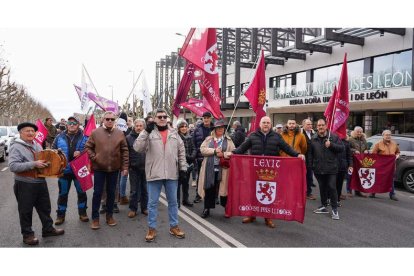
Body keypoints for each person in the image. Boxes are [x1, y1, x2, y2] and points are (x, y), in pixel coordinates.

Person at [232, 116, 304, 228]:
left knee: (270, 195)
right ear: (260, 124)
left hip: (271, 172)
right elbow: (242, 148)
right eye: (264, 122)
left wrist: (297, 155)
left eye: (268, 123)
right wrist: (233, 153)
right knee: (252, 192)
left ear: (271, 125)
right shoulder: (252, 136)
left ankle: (268, 217)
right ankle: (252, 214)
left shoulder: (277, 136)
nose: (266, 124)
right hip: (255, 171)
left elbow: (286, 148)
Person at [134, 108, 187, 242]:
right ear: (155, 119)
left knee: (173, 202)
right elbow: (137, 147)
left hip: (171, 173)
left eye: (164, 116)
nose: (162, 118)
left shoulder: (174, 133)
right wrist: (145, 131)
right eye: (159, 117)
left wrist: (183, 168)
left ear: (167, 118)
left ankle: (174, 226)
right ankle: (152, 228)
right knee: (152, 203)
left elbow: (181, 151)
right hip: (154, 174)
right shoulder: (149, 133)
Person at [9, 122, 64, 246]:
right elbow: (13, 166)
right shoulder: (15, 147)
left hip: (40, 182)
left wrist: (53, 156)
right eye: (27, 131)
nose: (30, 133)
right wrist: (34, 164)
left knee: (45, 207)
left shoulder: (37, 144)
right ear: (20, 133)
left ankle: (48, 229)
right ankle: (27, 235)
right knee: (26, 211)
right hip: (24, 183)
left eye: (32, 131)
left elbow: (43, 159)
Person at [85, 111, 129, 230]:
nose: (110, 121)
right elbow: (88, 147)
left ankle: (109, 216)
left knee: (111, 193)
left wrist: (125, 167)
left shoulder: (120, 133)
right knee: (97, 193)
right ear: (103, 120)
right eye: (107, 119)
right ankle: (95, 218)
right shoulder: (95, 132)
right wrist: (95, 158)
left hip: (114, 169)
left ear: (115, 121)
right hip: (99, 168)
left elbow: (125, 151)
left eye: (112, 119)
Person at [52, 116, 89, 225]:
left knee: (82, 193)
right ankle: (60, 215)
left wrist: (81, 153)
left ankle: (83, 213)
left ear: (78, 124)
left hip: (80, 171)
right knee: (63, 194)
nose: (72, 125)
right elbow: (53, 151)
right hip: (64, 171)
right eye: (70, 123)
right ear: (67, 125)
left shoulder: (85, 137)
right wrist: (56, 152)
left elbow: (91, 150)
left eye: (74, 123)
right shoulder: (59, 137)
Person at [198, 119, 234, 218]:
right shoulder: (209, 139)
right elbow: (202, 149)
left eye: (222, 128)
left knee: (224, 188)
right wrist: (214, 151)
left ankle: (226, 208)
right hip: (209, 168)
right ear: (214, 129)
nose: (220, 129)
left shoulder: (229, 140)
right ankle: (207, 208)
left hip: (224, 169)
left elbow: (233, 152)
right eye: (218, 128)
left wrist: (224, 154)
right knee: (209, 187)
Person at [309, 119, 344, 220]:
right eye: (319, 125)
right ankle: (323, 205)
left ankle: (334, 209)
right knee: (322, 187)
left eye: (322, 125)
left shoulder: (333, 137)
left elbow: (342, 148)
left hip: (331, 168)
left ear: (326, 126)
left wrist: (331, 145)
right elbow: (310, 154)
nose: (320, 127)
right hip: (318, 168)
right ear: (317, 127)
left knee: (331, 187)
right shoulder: (313, 138)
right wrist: (311, 166)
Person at [126, 119, 148, 218]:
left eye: (141, 126)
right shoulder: (128, 138)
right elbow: (126, 154)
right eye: (137, 125)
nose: (139, 127)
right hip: (133, 168)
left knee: (145, 189)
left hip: (146, 168)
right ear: (134, 127)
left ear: (144, 127)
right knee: (134, 190)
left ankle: (145, 208)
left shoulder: (148, 137)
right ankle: (133, 208)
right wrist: (126, 167)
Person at [370, 130, 400, 201]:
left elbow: (398, 152)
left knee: (391, 180)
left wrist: (397, 156)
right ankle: (373, 192)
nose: (388, 136)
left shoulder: (394, 144)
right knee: (378, 178)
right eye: (386, 135)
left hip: (391, 166)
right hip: (381, 166)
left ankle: (392, 194)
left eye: (389, 135)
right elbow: (374, 155)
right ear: (383, 136)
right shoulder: (378, 144)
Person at [193, 111, 214, 203]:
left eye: (207, 118)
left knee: (213, 176)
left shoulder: (215, 129)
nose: (206, 119)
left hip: (212, 157)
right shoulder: (197, 129)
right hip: (200, 157)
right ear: (202, 119)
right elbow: (193, 143)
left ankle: (213, 196)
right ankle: (198, 195)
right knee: (200, 177)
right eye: (204, 118)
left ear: (210, 118)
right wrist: (195, 155)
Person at [176, 119, 196, 208]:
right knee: (178, 184)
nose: (184, 128)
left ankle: (185, 199)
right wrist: (188, 156)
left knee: (186, 183)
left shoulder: (190, 137)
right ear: (179, 128)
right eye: (182, 126)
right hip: (180, 164)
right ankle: (177, 201)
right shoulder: (176, 137)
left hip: (189, 164)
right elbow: (178, 151)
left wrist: (192, 156)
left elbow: (194, 148)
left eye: (185, 126)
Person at [348, 126, 369, 197]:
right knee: (350, 176)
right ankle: (349, 191)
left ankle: (358, 191)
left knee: (359, 176)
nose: (359, 133)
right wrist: (354, 151)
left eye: (360, 132)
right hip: (352, 160)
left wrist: (367, 150)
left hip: (361, 161)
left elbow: (366, 148)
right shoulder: (350, 139)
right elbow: (347, 149)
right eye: (358, 132)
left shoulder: (364, 140)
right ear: (354, 132)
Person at [302, 119, 317, 200]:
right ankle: (307, 192)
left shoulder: (314, 134)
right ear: (303, 125)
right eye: (308, 124)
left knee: (310, 176)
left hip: (313, 158)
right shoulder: (301, 134)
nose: (310, 125)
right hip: (305, 158)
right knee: (305, 176)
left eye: (311, 124)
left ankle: (308, 191)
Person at [336, 137, 353, 206]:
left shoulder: (346, 143)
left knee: (340, 183)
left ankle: (337, 199)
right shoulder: (330, 141)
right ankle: (329, 198)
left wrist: (350, 165)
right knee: (331, 183)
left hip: (342, 166)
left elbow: (349, 155)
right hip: (332, 165)